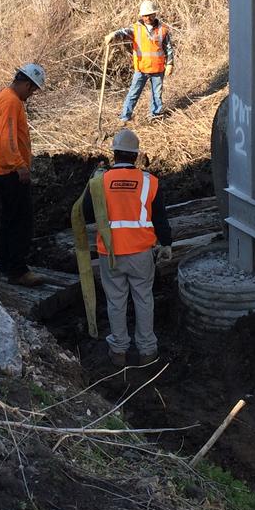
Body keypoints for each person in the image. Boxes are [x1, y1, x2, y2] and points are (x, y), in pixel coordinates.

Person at [81, 128, 173, 367]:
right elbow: (160, 218)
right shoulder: (149, 182)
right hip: (141, 252)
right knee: (144, 298)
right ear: (136, 155)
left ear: (114, 154)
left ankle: (119, 351)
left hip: (110, 253)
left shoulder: (99, 181)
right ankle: (147, 351)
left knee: (116, 301)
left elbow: (87, 214)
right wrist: (167, 244)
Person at [0, 63, 47, 287]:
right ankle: (17, 270)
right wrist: (20, 165)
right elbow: (8, 138)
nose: (31, 95)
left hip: (0, 168)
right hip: (9, 171)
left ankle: (5, 262)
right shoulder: (12, 101)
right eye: (32, 90)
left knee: (10, 219)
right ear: (25, 83)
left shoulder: (3, 96)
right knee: (21, 222)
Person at [107, 0, 175, 123]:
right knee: (133, 93)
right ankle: (125, 116)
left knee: (156, 95)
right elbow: (124, 32)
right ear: (141, 15)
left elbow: (168, 48)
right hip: (141, 68)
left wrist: (170, 63)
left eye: (149, 14)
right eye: (144, 15)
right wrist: (114, 35)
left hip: (157, 68)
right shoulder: (135, 28)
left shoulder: (163, 29)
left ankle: (155, 115)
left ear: (155, 14)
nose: (147, 17)